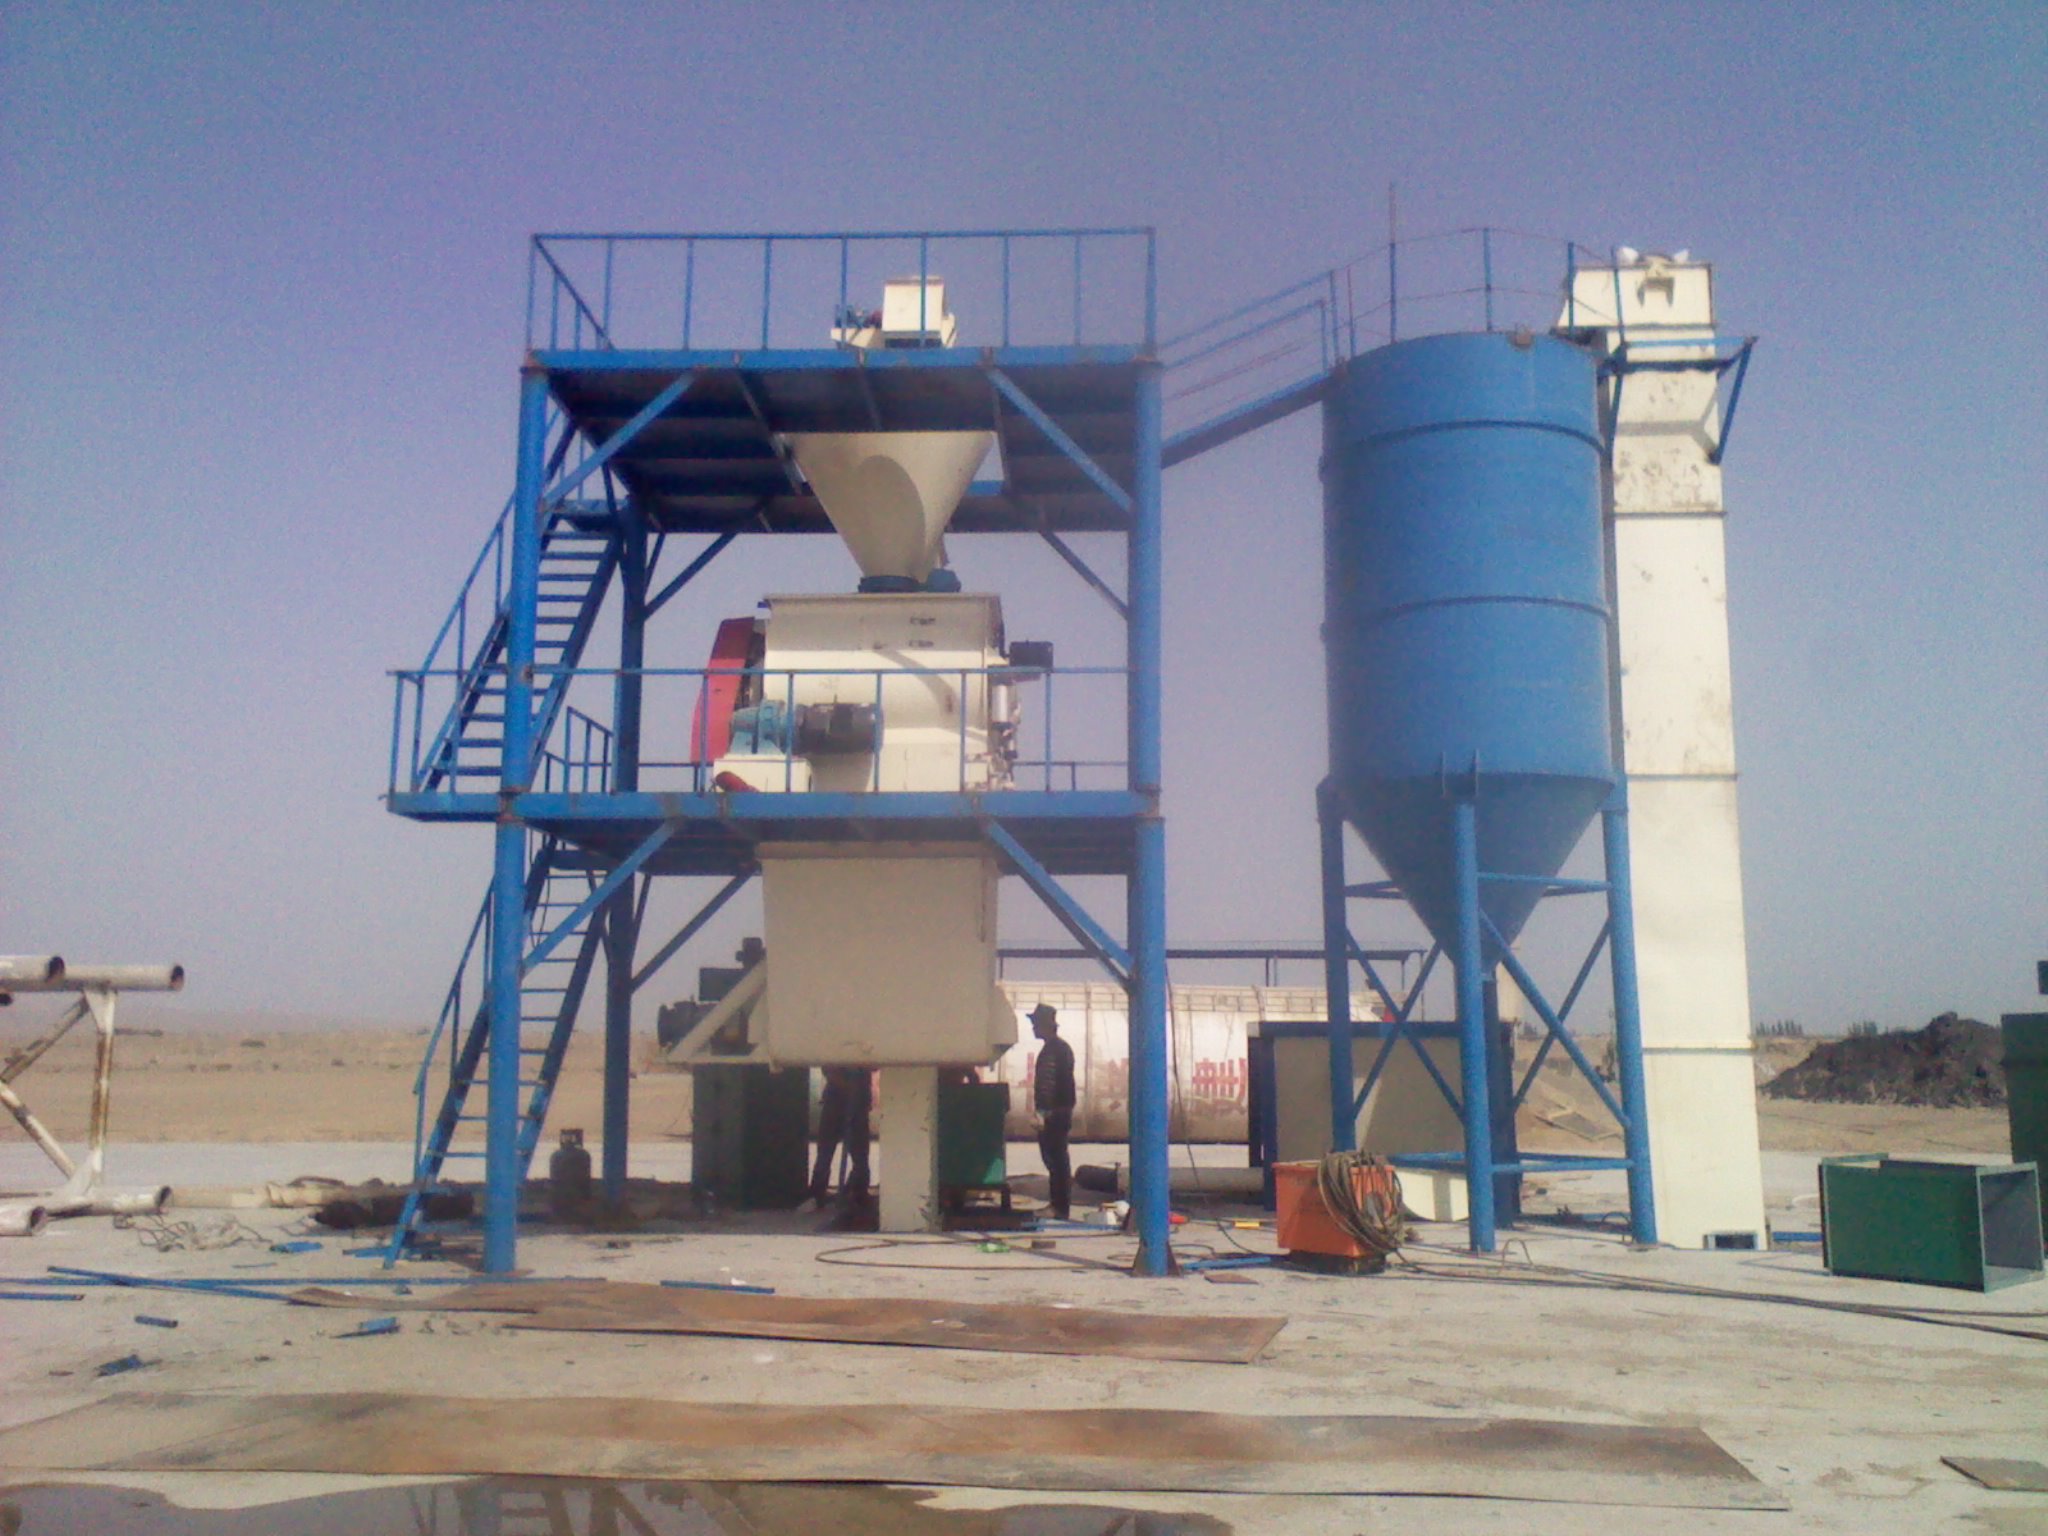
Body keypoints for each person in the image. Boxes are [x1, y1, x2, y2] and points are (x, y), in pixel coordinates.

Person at [1030, 1003, 1075, 1220]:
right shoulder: (1060, 1048)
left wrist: (1042, 1112)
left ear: (1045, 1025)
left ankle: (1059, 1207)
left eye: (1035, 1024)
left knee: (1055, 1160)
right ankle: (1059, 1205)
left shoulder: (1052, 1051)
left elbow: (1047, 1084)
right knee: (1057, 1159)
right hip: (1061, 1111)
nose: (1033, 1028)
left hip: (1054, 1113)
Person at [809, 1065, 871, 1207]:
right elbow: (828, 1069)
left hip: (855, 1104)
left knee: (860, 1157)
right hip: (837, 1104)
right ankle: (818, 1194)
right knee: (826, 1153)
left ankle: (857, 1193)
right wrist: (848, 1086)